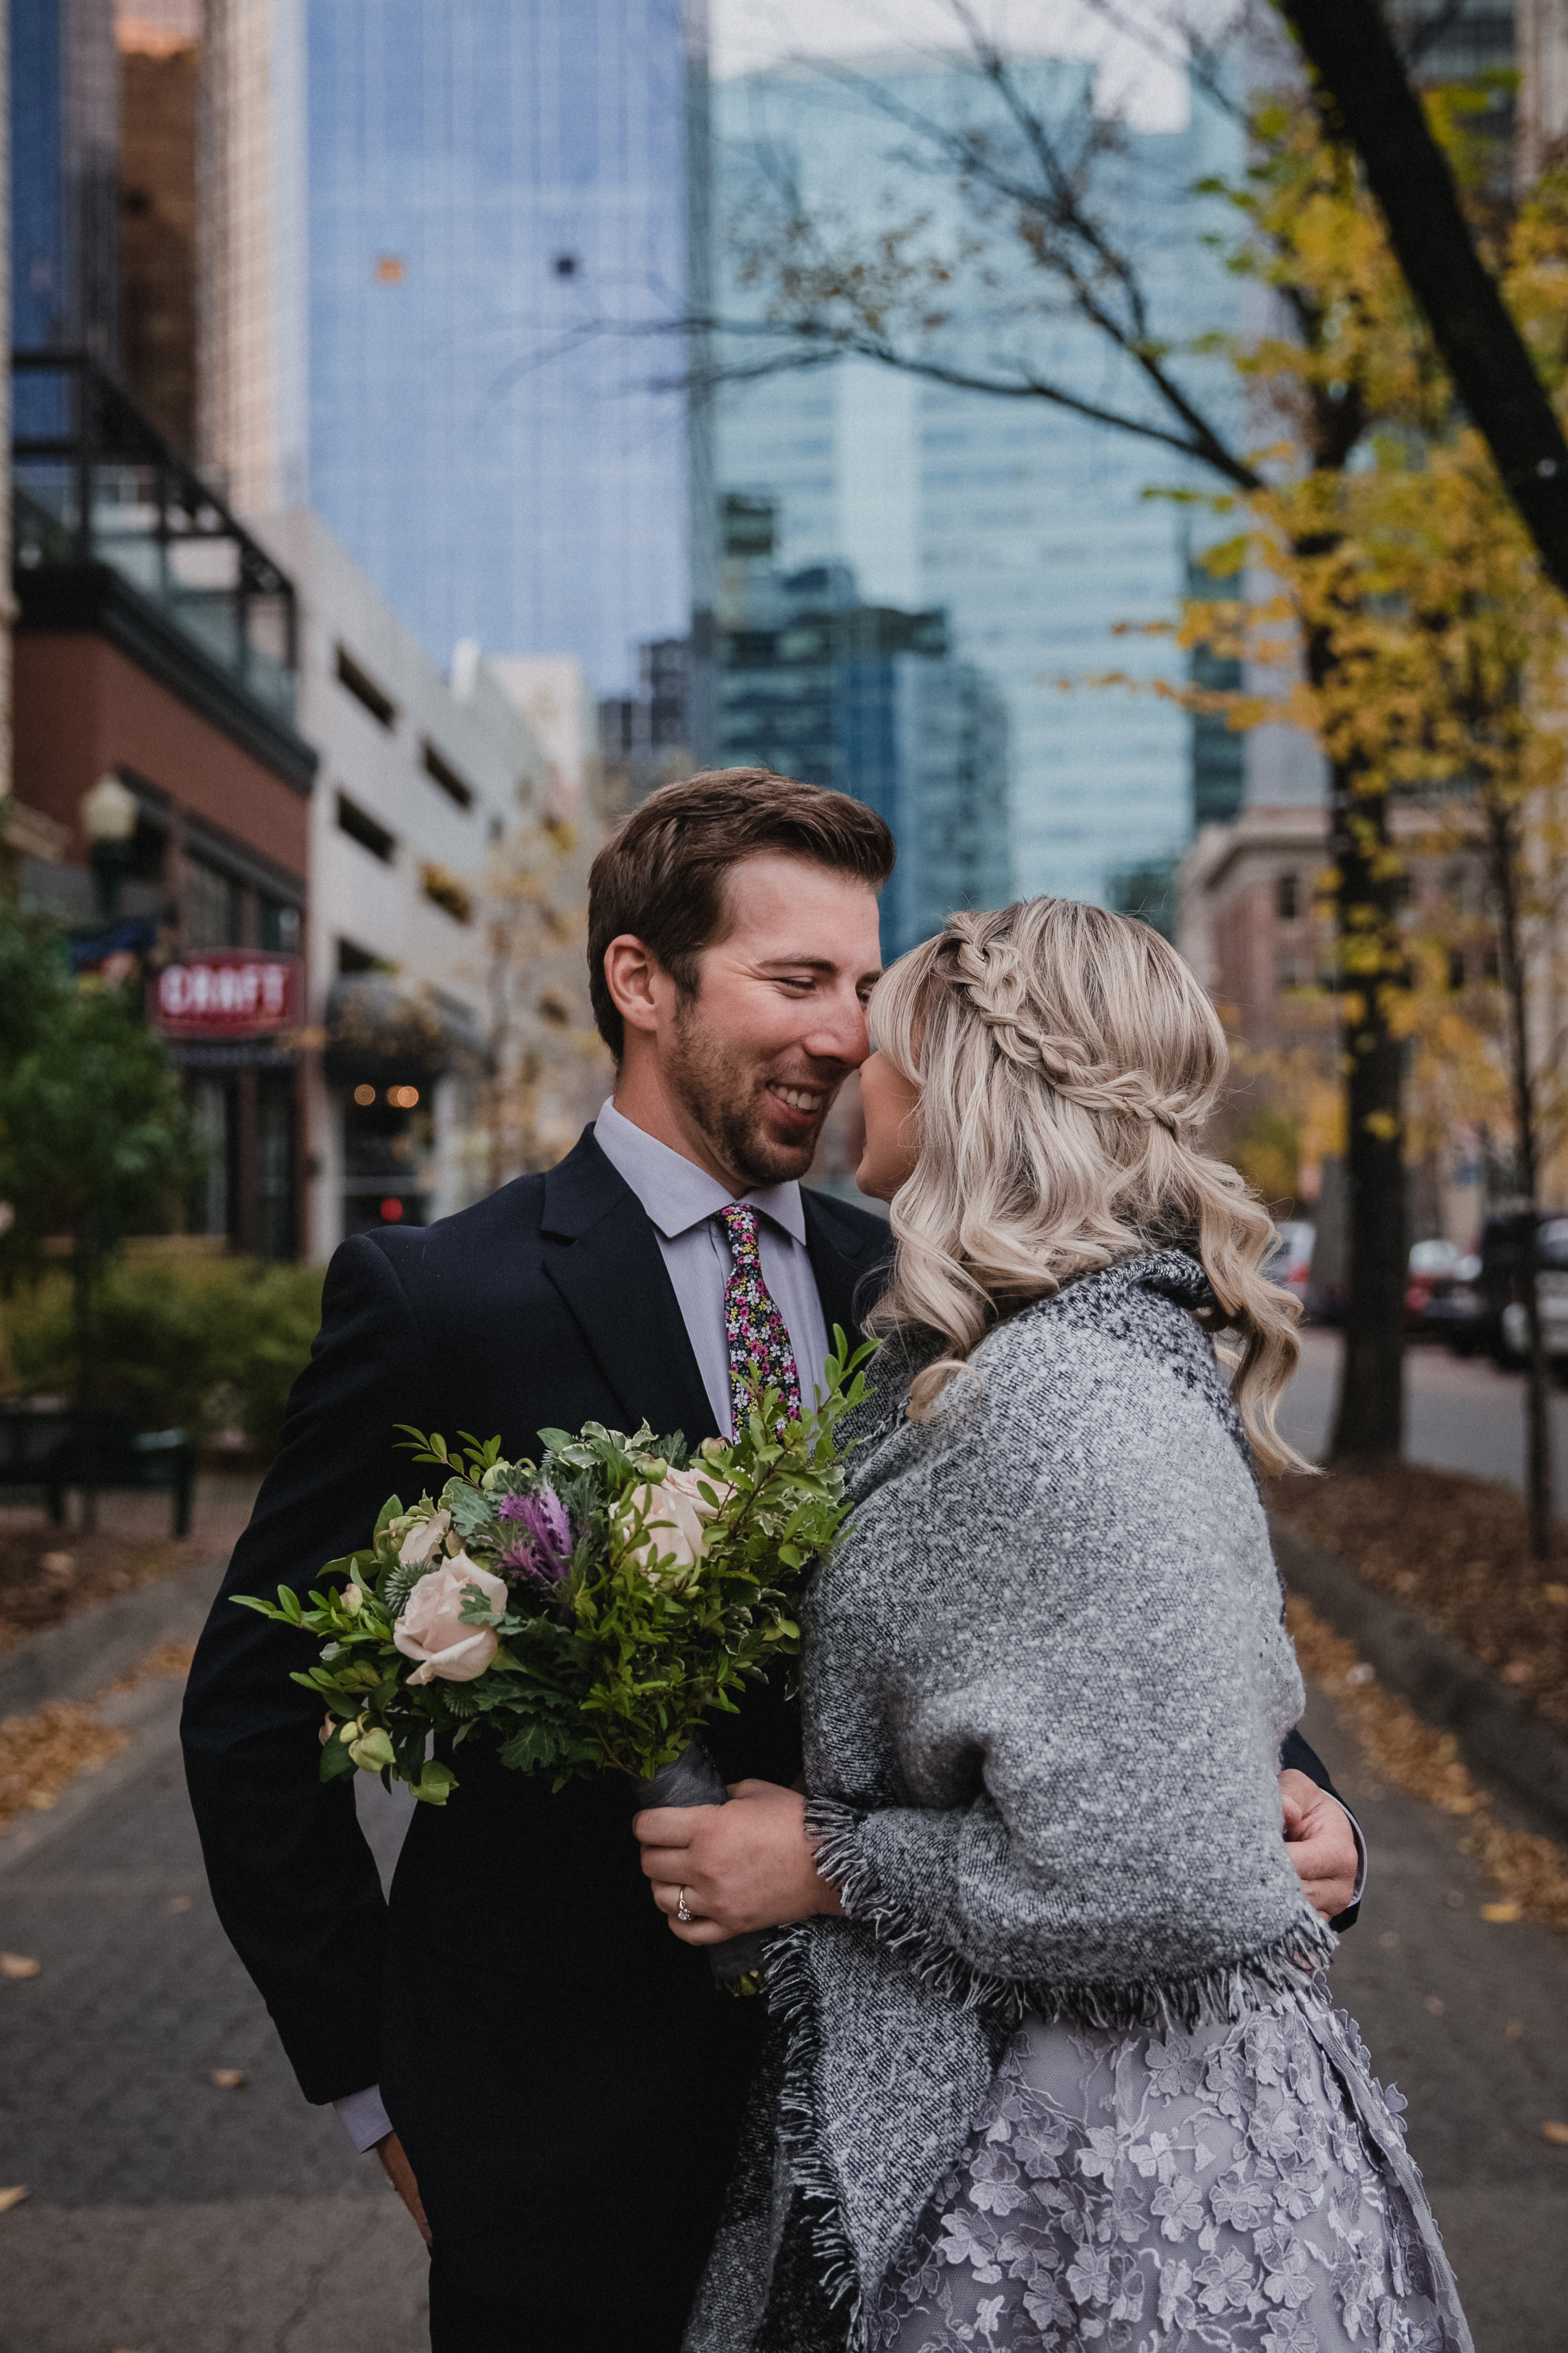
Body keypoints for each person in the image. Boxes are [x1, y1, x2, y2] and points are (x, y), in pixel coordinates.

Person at [181, 777, 1360, 2352]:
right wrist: (378, 2090)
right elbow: (254, 1726)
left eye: (865, 987)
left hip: (919, 2126)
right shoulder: (436, 1300)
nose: (845, 1032)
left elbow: (1102, 1582)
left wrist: (1290, 1787)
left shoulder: (932, 1274)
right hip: (551, 2147)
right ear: (641, 982)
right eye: (796, 981)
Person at [636, 899, 1466, 2353]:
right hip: (1039, 2116)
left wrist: (824, 1862)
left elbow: (1157, 1874)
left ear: (964, 1082)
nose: (852, 1067)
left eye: (884, 1037)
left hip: (1101, 2187)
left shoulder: (1069, 1400)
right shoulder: (1000, 1354)